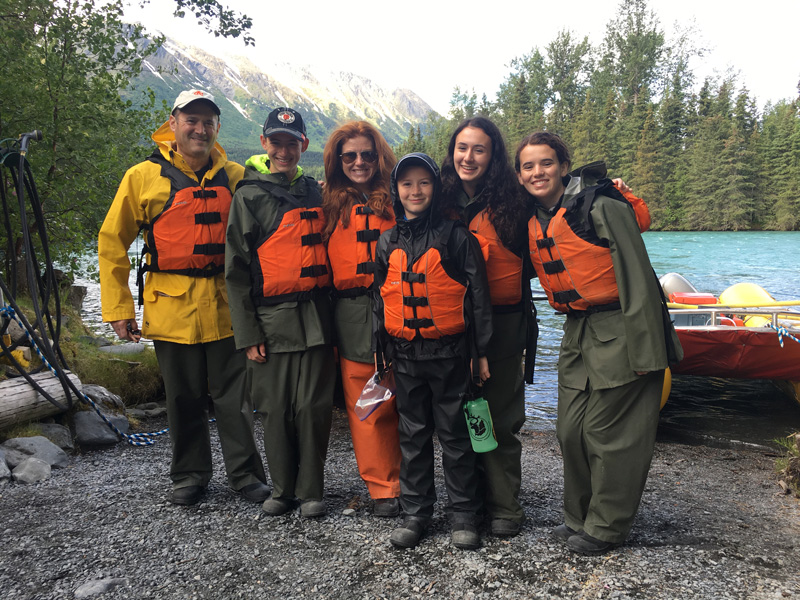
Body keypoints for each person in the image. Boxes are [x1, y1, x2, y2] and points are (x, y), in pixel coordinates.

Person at [98, 89, 269, 506]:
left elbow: (269, 218)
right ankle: (190, 475)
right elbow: (111, 241)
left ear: (217, 127)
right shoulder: (142, 176)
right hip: (170, 304)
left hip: (229, 307)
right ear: (172, 124)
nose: (199, 128)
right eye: (191, 119)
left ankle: (245, 475)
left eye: (208, 120)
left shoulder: (235, 175)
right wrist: (119, 309)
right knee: (182, 397)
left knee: (235, 399)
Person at [515, 131, 682, 555]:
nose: (538, 172)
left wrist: (649, 349)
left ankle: (607, 527)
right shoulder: (536, 219)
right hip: (577, 332)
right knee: (570, 429)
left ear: (563, 166)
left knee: (612, 434)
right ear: (519, 175)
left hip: (622, 328)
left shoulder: (602, 206)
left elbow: (640, 278)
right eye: (528, 166)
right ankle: (579, 518)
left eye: (546, 163)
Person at [373, 152, 493, 550]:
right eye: (406, 184)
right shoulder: (387, 241)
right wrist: (381, 350)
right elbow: (381, 299)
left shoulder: (456, 236)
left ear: (435, 188)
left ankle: (463, 515)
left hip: (451, 355)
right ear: (396, 191)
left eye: (423, 182)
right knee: (413, 436)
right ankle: (416, 513)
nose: (415, 190)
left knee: (456, 436)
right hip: (405, 356)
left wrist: (481, 354)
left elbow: (478, 299)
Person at [225, 107, 335, 519]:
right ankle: (282, 488)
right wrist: (247, 333)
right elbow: (235, 272)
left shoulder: (318, 193)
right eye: (277, 142)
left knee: (313, 407)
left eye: (292, 143)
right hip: (271, 323)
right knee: (274, 410)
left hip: (318, 321)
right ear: (264, 144)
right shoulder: (248, 197)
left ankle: (311, 491)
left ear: (303, 145)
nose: (284, 150)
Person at [439, 117, 533, 538]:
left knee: (498, 415)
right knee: (459, 417)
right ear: (452, 151)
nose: (469, 157)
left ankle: (505, 507)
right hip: (452, 324)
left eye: (479, 149)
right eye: (462, 148)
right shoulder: (440, 198)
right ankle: (467, 503)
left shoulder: (516, 202)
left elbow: (560, 210)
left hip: (504, 325)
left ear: (493, 155)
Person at [321, 121, 402, 517]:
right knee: (367, 406)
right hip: (351, 314)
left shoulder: (402, 197)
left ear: (379, 156)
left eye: (367, 154)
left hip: (403, 306)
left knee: (412, 401)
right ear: (338, 160)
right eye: (349, 155)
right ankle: (384, 488)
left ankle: (416, 482)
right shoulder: (326, 204)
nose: (359, 162)